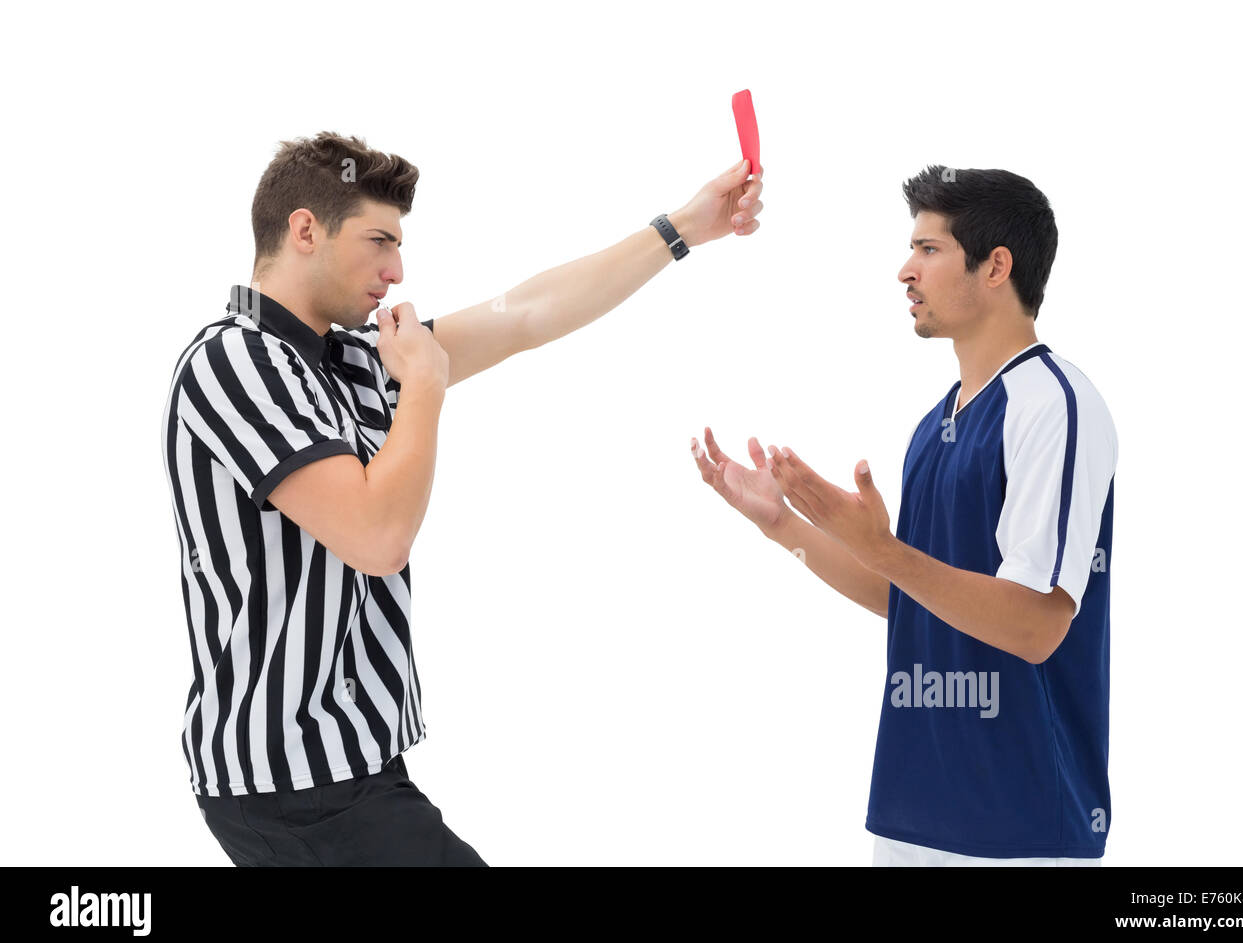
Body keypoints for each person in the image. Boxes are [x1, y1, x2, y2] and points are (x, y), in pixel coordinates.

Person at [162, 130, 764, 866]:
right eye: (379, 240)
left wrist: (682, 229)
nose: (397, 268)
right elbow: (379, 537)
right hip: (293, 781)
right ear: (305, 230)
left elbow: (525, 316)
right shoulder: (234, 360)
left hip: (349, 768)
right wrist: (424, 384)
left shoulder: (345, 361)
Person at [691, 165, 1116, 866]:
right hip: (911, 818)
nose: (903, 271)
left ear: (996, 267)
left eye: (928, 249)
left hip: (1022, 830)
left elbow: (1037, 626)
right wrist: (785, 526)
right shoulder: (934, 426)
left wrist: (886, 549)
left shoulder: (1054, 405)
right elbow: (913, 601)